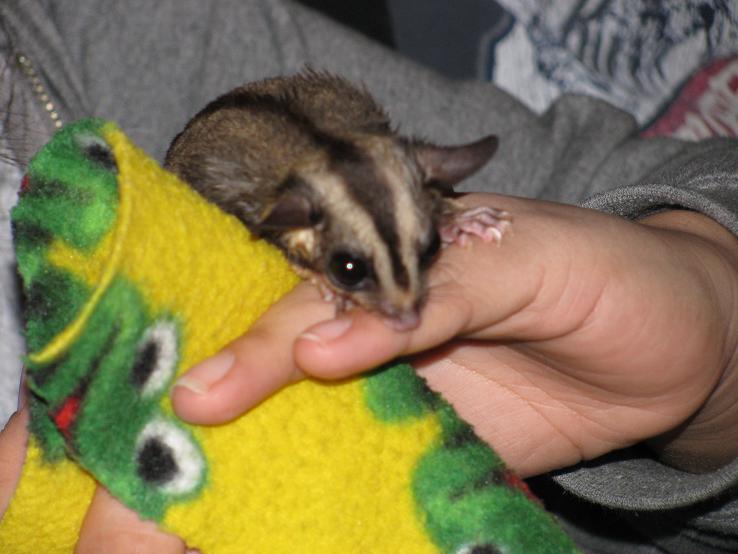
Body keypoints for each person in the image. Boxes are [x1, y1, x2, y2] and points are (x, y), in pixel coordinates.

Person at [1, 1, 738, 552]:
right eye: (353, 270)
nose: (406, 309)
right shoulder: (242, 188)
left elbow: (657, 176)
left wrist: (719, 344)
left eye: (422, 247)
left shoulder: (101, 28)